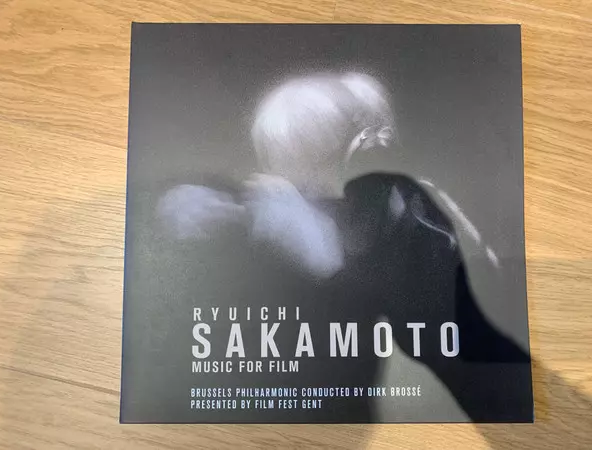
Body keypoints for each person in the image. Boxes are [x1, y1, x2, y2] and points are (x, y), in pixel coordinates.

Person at [156, 72, 532, 422]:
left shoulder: (401, 212)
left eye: (315, 164)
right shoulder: (271, 215)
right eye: (288, 170)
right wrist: (189, 206)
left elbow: (468, 355)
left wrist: (327, 261)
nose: (301, 193)